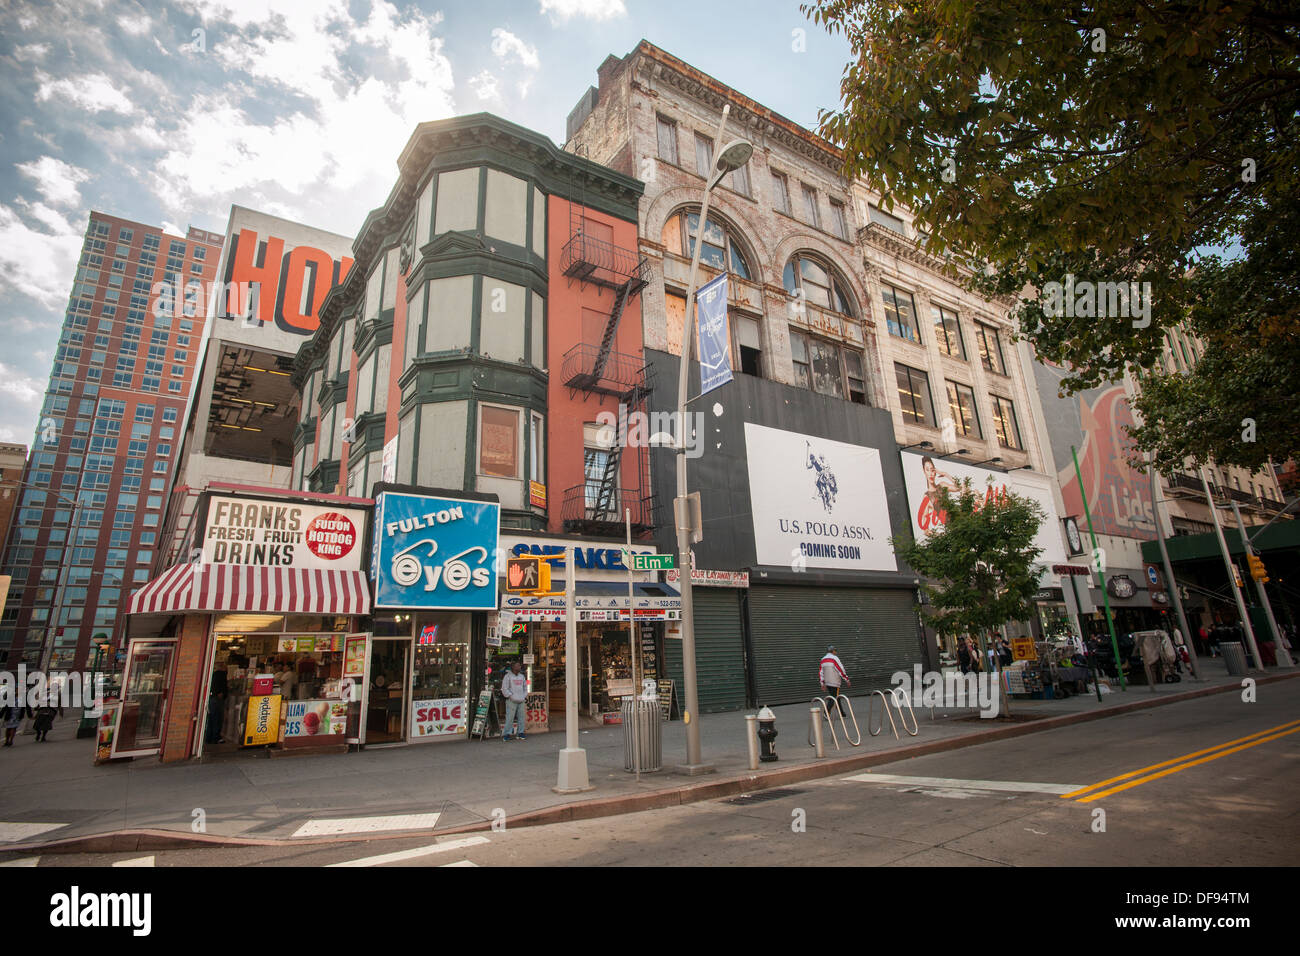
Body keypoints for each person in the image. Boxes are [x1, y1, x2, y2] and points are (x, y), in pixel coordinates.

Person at [501, 661, 528, 741]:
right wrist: (510, 696)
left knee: (521, 717)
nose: (519, 667)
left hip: (521, 700)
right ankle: (507, 733)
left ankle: (520, 732)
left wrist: (523, 696)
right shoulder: (508, 676)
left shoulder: (522, 676)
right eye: (517, 666)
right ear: (513, 667)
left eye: (519, 666)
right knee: (510, 717)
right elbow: (504, 688)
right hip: (511, 700)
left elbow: (525, 688)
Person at [819, 645, 850, 712]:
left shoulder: (823, 659)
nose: (836, 652)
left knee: (836, 696)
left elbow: (821, 672)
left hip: (827, 682)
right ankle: (826, 712)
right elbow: (840, 669)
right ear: (832, 651)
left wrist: (822, 683)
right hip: (835, 682)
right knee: (833, 697)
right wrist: (846, 679)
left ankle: (841, 712)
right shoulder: (834, 658)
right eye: (835, 650)